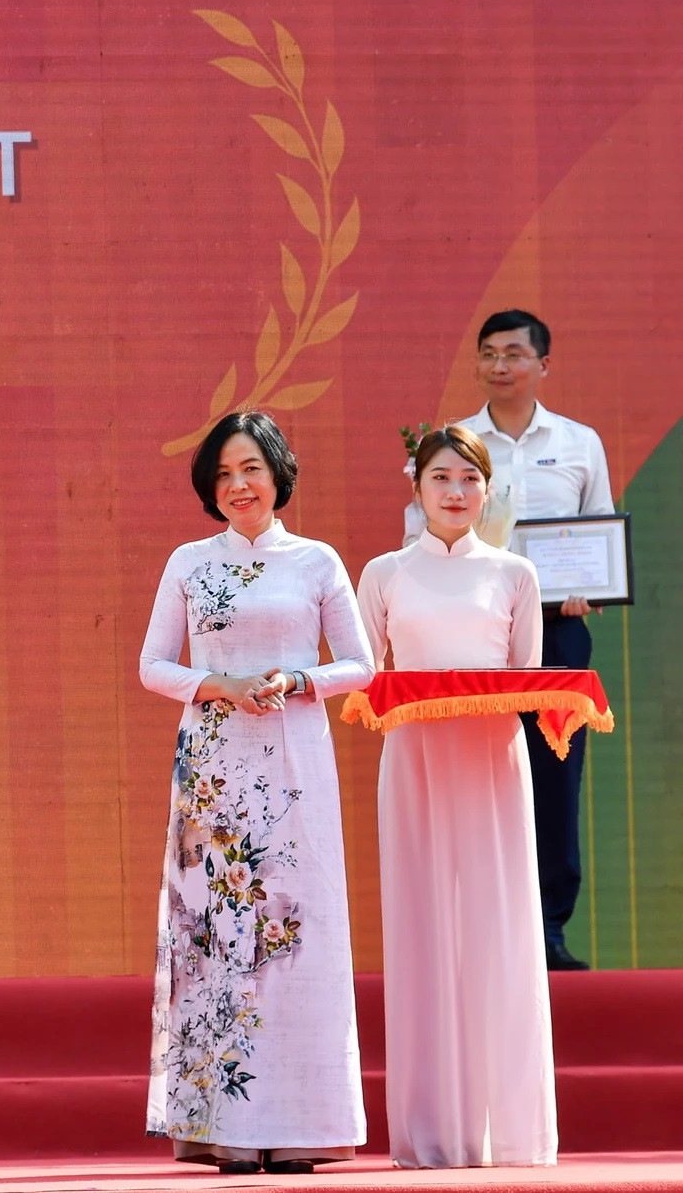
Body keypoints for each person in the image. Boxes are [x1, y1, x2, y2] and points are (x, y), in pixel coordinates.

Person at [138, 411, 375, 1176]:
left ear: (278, 473)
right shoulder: (188, 561)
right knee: (219, 939)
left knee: (299, 933)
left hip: (296, 761)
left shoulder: (315, 561)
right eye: (224, 475)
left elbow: (361, 665)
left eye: (251, 469)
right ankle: (226, 1130)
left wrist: (299, 678)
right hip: (213, 769)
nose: (239, 486)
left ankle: (304, 1127)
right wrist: (219, 684)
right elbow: (153, 666)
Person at [357, 425, 556, 1169]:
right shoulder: (382, 573)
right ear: (417, 487)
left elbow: (524, 675)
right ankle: (433, 1131)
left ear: (487, 489)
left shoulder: (513, 575)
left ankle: (514, 1132)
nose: (455, 492)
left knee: (500, 926)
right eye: (441, 478)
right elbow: (366, 673)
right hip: (413, 758)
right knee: (423, 924)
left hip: (493, 756)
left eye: (470, 479)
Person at [456, 309, 614, 970]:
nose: (500, 364)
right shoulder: (455, 445)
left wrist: (591, 587)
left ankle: (548, 929)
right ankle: (477, 933)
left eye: (515, 353)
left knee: (554, 779)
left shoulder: (579, 442)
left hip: (557, 633)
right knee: (476, 780)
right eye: (489, 353)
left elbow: (602, 537)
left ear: (543, 364)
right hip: (474, 636)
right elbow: (420, 538)